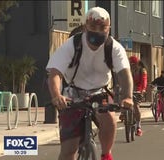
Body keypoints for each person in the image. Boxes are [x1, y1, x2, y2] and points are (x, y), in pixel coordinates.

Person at [46, 7, 133, 160]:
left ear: (109, 28)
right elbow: (55, 73)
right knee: (68, 149)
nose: (97, 31)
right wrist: (57, 95)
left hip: (100, 91)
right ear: (86, 26)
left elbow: (125, 74)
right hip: (73, 93)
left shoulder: (114, 47)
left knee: (110, 120)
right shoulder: (72, 44)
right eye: (93, 27)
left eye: (102, 28)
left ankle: (106, 154)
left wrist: (127, 97)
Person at [127, 55, 147, 136]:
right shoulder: (129, 70)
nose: (132, 66)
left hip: (139, 89)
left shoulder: (142, 71)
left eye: (134, 64)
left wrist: (142, 90)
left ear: (137, 64)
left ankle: (138, 127)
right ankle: (123, 113)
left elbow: (144, 82)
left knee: (136, 106)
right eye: (131, 64)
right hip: (130, 88)